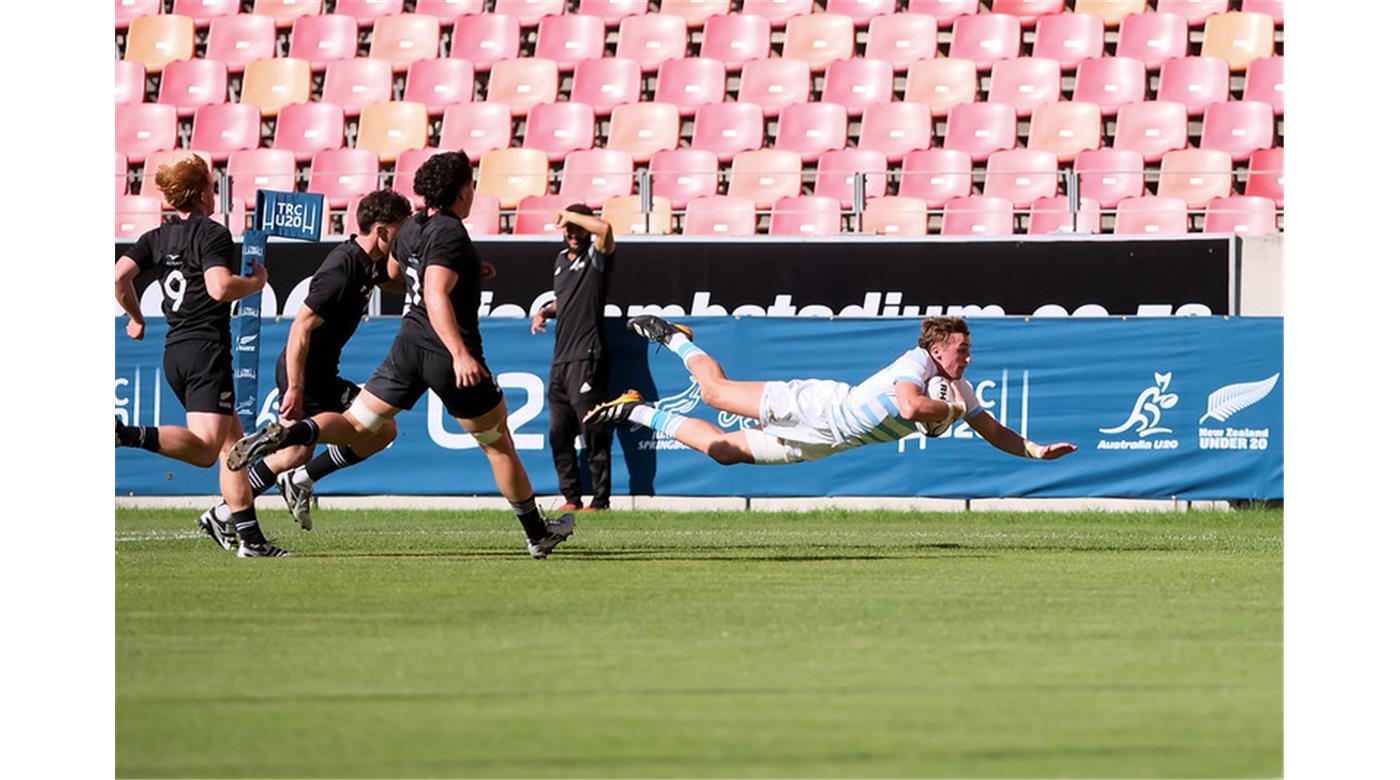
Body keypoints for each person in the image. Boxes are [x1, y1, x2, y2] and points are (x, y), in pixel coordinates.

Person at [226, 151, 576, 559]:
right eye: (471, 184)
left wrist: (469, 271)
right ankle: (536, 533)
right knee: (497, 444)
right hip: (445, 353)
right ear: (463, 190)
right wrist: (460, 354)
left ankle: (292, 434)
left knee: (358, 428)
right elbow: (434, 291)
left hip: (406, 349)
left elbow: (401, 275)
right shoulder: (449, 232)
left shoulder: (413, 230)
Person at [585, 315, 1078, 466]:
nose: (968, 357)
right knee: (713, 392)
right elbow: (911, 405)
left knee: (723, 451)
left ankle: (636, 412)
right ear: (938, 348)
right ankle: (674, 338)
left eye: (969, 350)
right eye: (962, 349)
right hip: (816, 404)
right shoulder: (917, 362)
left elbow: (992, 430)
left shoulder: (958, 389)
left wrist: (1034, 450)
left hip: (827, 439)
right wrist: (946, 415)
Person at [198, 189, 413, 537]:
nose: (405, 238)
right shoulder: (343, 268)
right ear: (383, 231)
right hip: (305, 373)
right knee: (360, 434)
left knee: (315, 448)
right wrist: (296, 389)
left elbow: (393, 281)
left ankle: (240, 507)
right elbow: (300, 327)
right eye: (402, 230)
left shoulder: (368, 263)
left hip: (324, 373)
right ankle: (243, 506)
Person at [114, 155, 290, 557]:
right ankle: (128, 433)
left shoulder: (156, 237)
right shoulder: (212, 234)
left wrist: (136, 316)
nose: (215, 192)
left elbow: (119, 276)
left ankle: (252, 540)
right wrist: (255, 283)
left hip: (175, 350)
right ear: (201, 192)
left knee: (235, 446)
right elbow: (219, 288)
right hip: (206, 350)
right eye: (211, 185)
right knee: (208, 449)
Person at [530, 204, 616, 512]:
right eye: (567, 229)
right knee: (557, 433)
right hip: (560, 361)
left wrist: (570, 216)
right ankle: (571, 497)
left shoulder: (596, 258)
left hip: (586, 357)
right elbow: (563, 299)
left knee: (591, 431)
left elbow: (604, 230)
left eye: (576, 228)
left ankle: (601, 499)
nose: (572, 234)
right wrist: (545, 311)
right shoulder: (559, 261)